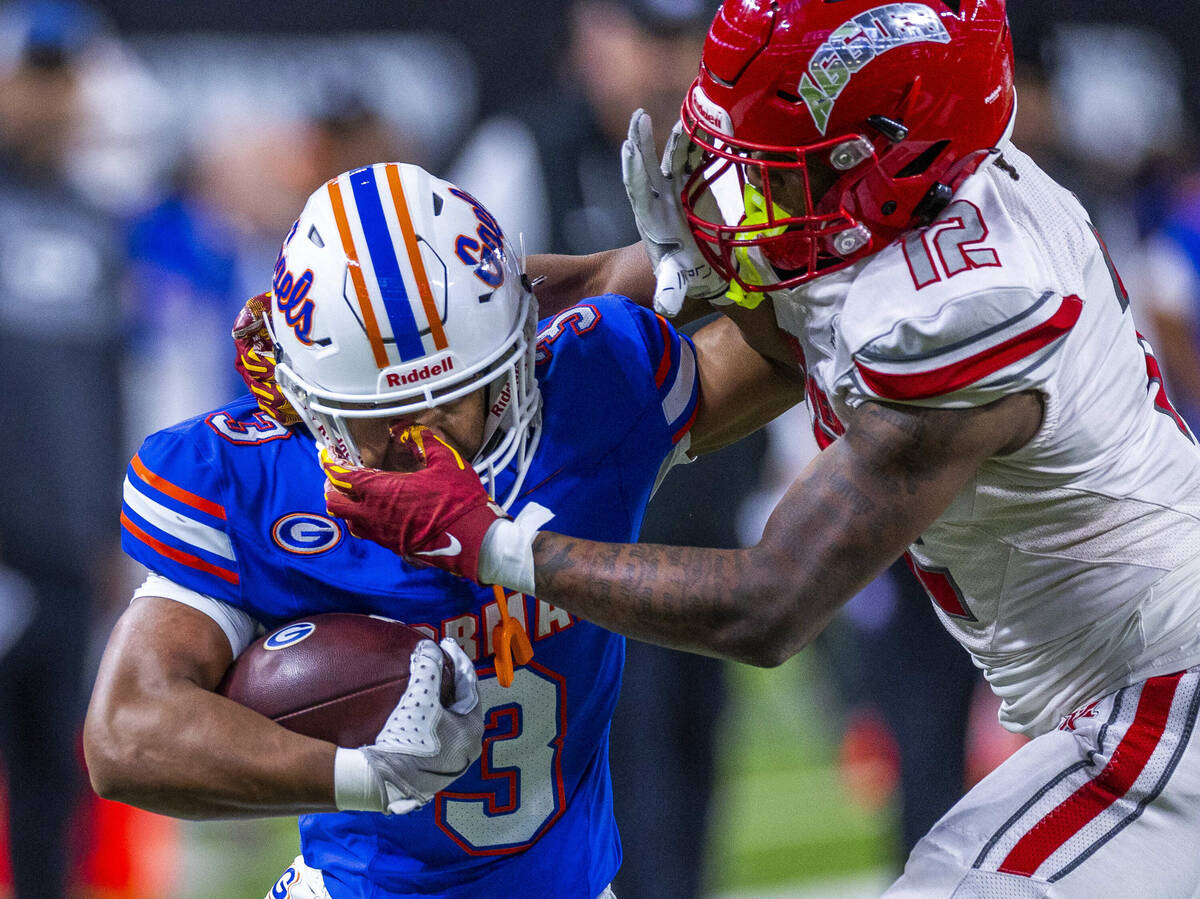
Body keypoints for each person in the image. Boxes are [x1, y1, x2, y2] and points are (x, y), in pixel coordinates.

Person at [324, 2, 1200, 895]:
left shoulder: (968, 309)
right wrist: (359, 337)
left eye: (779, 163)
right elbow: (594, 292)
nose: (737, 182)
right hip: (1114, 689)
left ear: (886, 158)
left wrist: (489, 540)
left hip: (1164, 693)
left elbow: (768, 605)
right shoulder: (894, 205)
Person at [83, 161, 798, 898]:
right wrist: (361, 776)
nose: (424, 442)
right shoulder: (253, 477)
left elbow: (790, 350)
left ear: (512, 362)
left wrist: (737, 251)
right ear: (309, 400)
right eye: (383, 418)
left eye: (450, 400)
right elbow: (127, 730)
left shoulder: (585, 396)